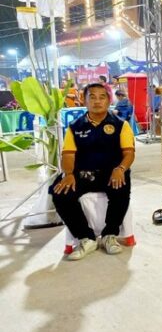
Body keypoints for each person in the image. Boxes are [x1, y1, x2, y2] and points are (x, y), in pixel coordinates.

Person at [50, 83, 135, 260]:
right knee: (60, 193)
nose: (97, 101)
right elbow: (68, 154)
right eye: (92, 97)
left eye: (102, 97)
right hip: (83, 173)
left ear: (109, 100)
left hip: (112, 172)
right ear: (84, 100)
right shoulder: (75, 126)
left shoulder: (121, 125)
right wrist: (68, 174)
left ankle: (109, 235)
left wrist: (120, 169)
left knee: (121, 187)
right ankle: (85, 238)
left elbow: (129, 153)